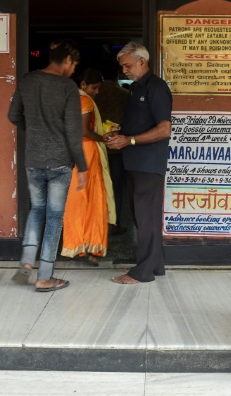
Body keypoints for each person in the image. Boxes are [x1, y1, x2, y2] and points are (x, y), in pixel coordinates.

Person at [7, 39, 87, 292]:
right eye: (74, 65)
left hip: (33, 159)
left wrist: (35, 131)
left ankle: (27, 260)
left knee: (36, 209)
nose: (73, 70)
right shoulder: (67, 86)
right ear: (66, 61)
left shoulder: (28, 80)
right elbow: (74, 132)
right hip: (60, 162)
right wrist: (83, 167)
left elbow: (13, 115)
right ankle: (44, 277)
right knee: (54, 217)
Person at [104, 42, 172, 284]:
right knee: (142, 216)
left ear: (142, 61)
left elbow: (164, 129)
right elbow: (140, 125)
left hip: (148, 163)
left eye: (128, 65)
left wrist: (129, 141)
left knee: (145, 217)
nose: (124, 70)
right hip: (135, 162)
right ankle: (155, 267)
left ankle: (142, 272)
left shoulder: (156, 87)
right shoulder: (135, 89)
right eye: (122, 66)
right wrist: (118, 134)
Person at [61, 68, 115, 265]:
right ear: (83, 84)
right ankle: (91, 245)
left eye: (98, 88)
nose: (96, 92)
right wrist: (103, 138)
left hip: (72, 151)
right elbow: (84, 132)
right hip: (87, 152)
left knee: (76, 200)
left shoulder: (68, 99)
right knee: (92, 200)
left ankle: (77, 247)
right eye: (94, 87)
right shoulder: (85, 101)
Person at [95, 59, 130, 236]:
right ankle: (113, 223)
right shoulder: (124, 94)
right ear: (117, 73)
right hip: (117, 147)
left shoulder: (94, 94)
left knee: (98, 186)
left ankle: (97, 223)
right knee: (116, 187)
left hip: (97, 146)